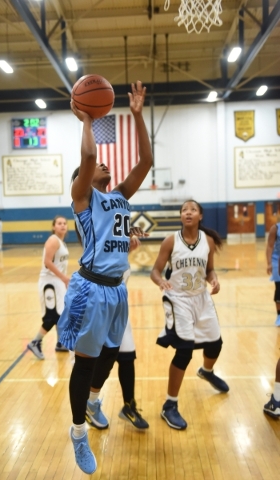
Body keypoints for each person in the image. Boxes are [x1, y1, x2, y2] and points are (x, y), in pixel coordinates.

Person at [57, 80, 152, 475]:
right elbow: (88, 152)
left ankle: (94, 400)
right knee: (84, 363)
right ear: (84, 177)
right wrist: (87, 117)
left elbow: (145, 162)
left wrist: (137, 115)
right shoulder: (83, 198)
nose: (103, 164)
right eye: (97, 165)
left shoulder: (119, 198)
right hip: (90, 289)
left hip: (117, 291)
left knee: (112, 353)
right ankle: (78, 432)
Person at [150, 199, 229, 431]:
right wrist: (160, 281)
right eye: (184, 210)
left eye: (192, 209)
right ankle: (169, 405)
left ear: (200, 216)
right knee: (184, 351)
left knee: (216, 344)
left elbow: (210, 269)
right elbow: (155, 270)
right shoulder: (171, 241)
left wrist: (213, 279)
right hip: (178, 299)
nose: (188, 212)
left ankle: (207, 371)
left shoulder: (209, 242)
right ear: (181, 216)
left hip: (201, 298)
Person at [86, 234, 149, 431]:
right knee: (105, 361)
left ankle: (129, 406)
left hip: (120, 313)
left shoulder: (119, 254)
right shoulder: (98, 250)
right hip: (102, 312)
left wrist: (126, 249)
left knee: (128, 358)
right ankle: (90, 403)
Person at [28, 216, 70, 360]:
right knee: (52, 315)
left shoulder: (62, 243)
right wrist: (64, 278)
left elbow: (60, 265)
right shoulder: (53, 240)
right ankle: (35, 342)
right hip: (49, 282)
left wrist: (64, 279)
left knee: (62, 312)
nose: (63, 225)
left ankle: (60, 343)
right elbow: (47, 262)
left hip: (57, 281)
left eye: (65, 223)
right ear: (53, 227)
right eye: (59, 223)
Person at [266, 221, 280, 326]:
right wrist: (269, 263)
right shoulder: (275, 228)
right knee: (279, 287)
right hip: (276, 259)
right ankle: (279, 315)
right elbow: (270, 246)